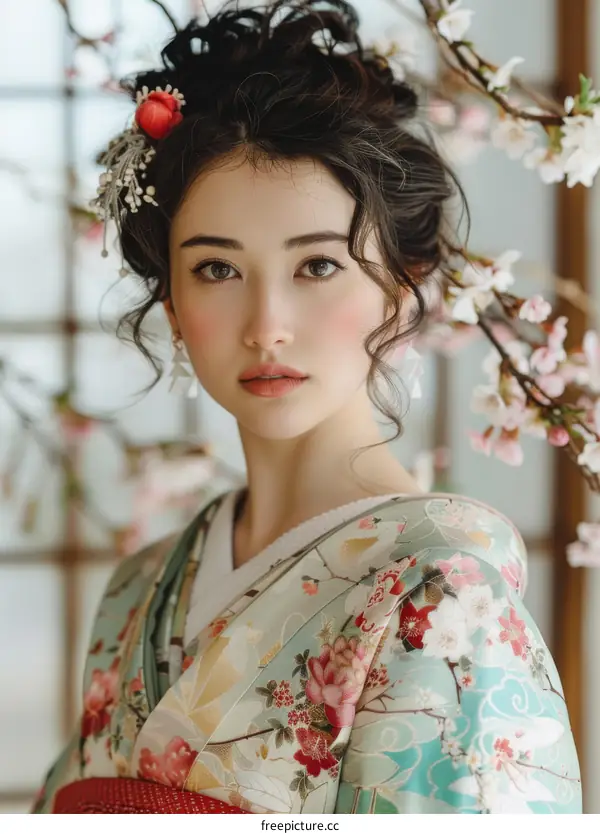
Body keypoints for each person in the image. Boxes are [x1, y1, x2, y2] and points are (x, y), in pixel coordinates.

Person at [33, 0, 581, 814]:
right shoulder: (136, 591)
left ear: (400, 288)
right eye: (217, 270)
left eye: (317, 266)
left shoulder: (444, 598)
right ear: (173, 305)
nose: (267, 327)